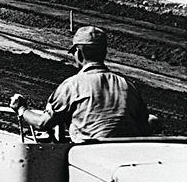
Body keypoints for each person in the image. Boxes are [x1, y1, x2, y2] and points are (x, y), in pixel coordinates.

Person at [9, 26, 149, 142]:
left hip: (87, 157)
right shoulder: (127, 85)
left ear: (78, 53)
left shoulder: (72, 86)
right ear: (104, 52)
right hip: (126, 156)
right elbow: (144, 124)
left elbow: (42, 123)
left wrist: (21, 109)